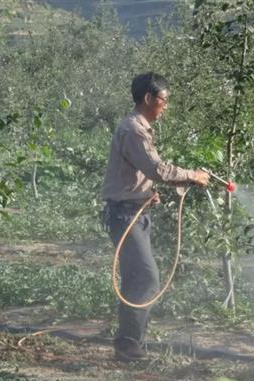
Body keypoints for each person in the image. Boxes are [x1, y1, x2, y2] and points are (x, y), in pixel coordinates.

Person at [101, 72, 209, 361]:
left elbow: (139, 173)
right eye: (163, 99)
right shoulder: (134, 130)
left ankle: (128, 343)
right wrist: (192, 176)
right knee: (147, 277)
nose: (165, 105)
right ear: (148, 98)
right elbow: (156, 169)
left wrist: (146, 192)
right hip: (125, 217)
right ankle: (128, 345)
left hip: (135, 211)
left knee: (136, 278)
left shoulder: (140, 128)